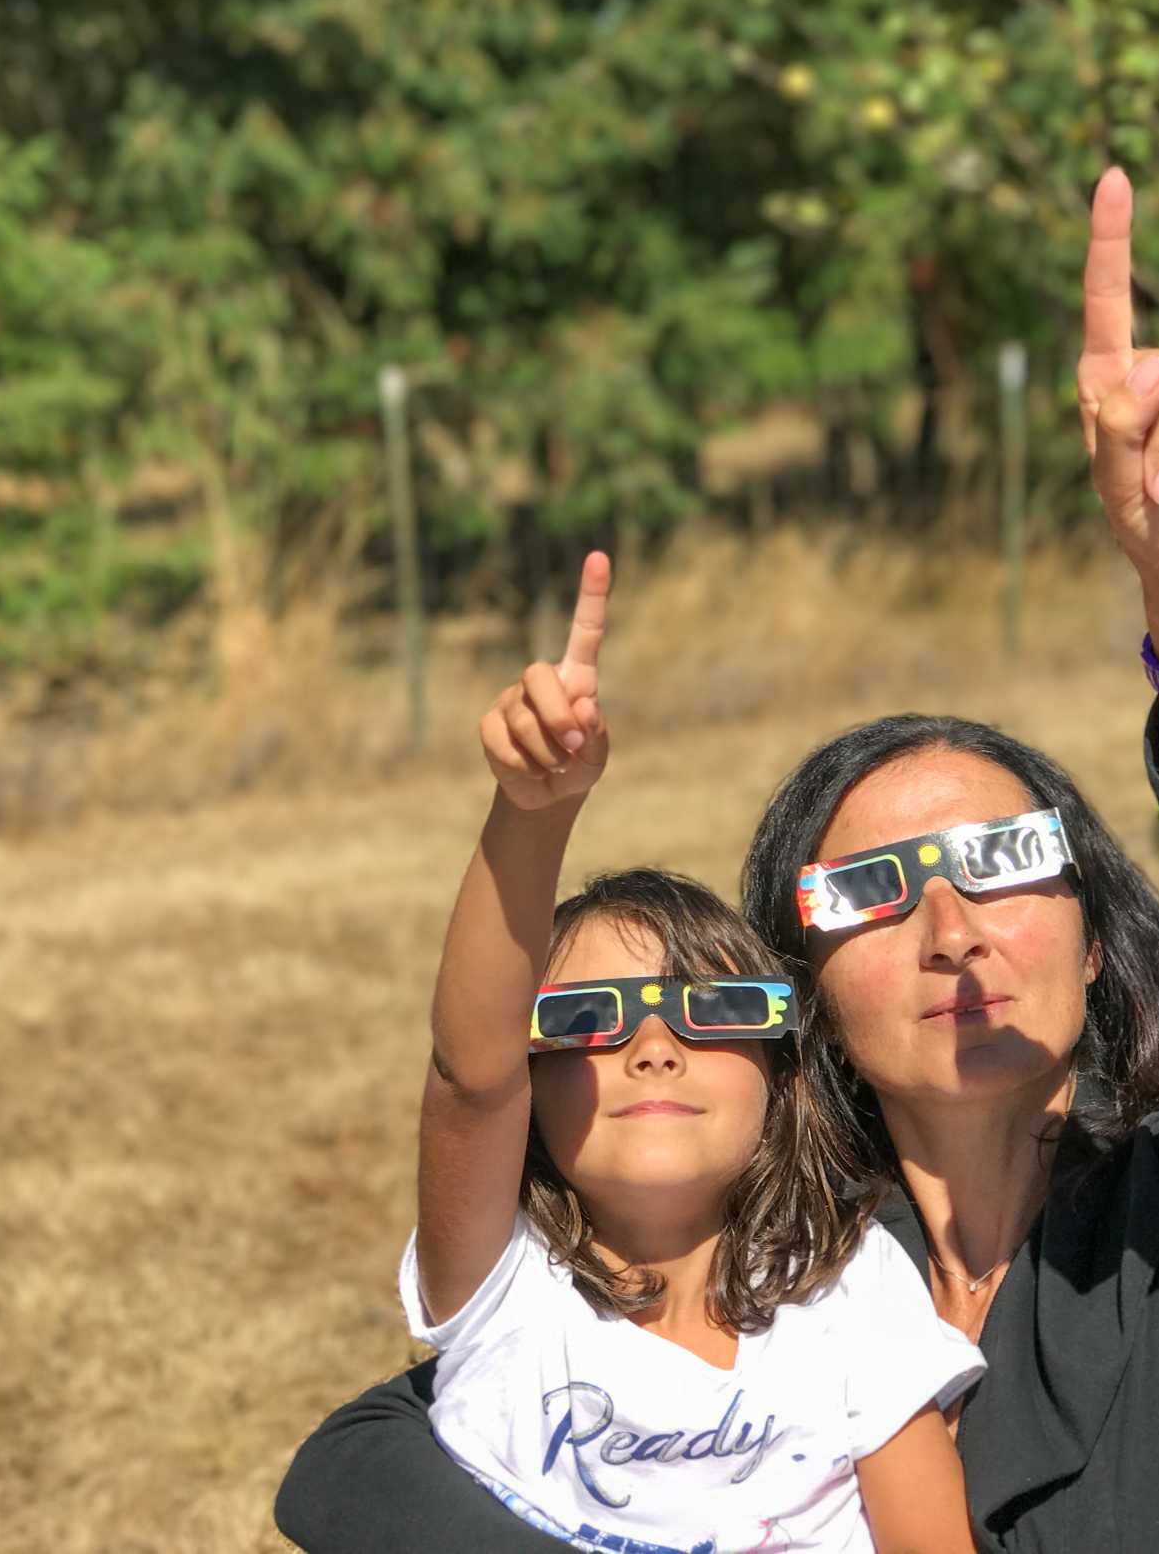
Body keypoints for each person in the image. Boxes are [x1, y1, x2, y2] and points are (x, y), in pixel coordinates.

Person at [276, 169, 1159, 1552]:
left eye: (1005, 856)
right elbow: (359, 1459)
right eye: (869, 891)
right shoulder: (778, 1249)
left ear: (1095, 936)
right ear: (802, 994)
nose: (953, 923)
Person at [389, 549, 987, 1552]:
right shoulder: (501, 1287)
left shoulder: (847, 1286)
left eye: (716, 1011)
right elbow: (468, 1071)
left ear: (780, 1077)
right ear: (529, 1085)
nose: (654, 1047)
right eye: (590, 1019)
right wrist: (533, 814)